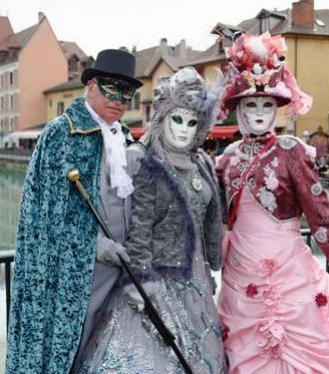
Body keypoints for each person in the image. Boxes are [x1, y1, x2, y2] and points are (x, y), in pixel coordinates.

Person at [216, 32, 329, 373]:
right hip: (239, 271)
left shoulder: (291, 152)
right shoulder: (227, 158)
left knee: (304, 345)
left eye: (266, 105)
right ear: (238, 110)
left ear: (277, 108)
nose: (260, 113)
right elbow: (215, 218)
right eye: (251, 105)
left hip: (288, 268)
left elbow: (319, 211)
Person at [77, 67, 227, 373]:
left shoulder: (202, 163)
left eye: (192, 122)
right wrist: (142, 282)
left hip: (196, 284)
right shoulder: (140, 159)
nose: (184, 129)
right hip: (151, 285)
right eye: (177, 118)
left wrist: (214, 262)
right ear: (163, 115)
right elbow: (138, 227)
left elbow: (212, 219)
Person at [6, 49, 143, 374]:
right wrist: (93, 245)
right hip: (74, 274)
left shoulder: (124, 137)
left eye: (128, 93)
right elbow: (42, 216)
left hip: (121, 269)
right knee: (71, 349)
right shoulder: (61, 134)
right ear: (91, 86)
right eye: (112, 89)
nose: (121, 100)